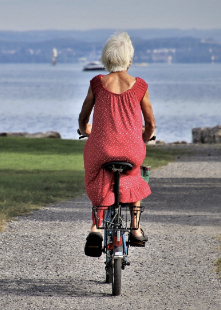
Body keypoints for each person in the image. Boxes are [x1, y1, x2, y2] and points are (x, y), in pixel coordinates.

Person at [78, 32, 156, 256]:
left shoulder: (97, 83)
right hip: (131, 150)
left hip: (101, 148)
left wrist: (86, 131)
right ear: (129, 60)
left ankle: (96, 228)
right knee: (134, 176)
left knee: (99, 175)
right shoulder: (140, 85)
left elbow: (83, 118)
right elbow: (150, 122)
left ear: (106, 59)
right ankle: (135, 228)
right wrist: (146, 136)